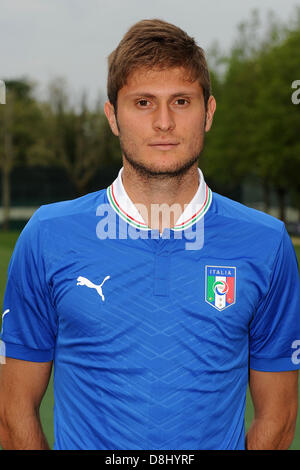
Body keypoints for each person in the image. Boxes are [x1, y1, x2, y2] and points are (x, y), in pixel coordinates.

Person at [0, 18, 299, 451]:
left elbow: (280, 417)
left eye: (181, 101)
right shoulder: (47, 236)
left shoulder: (267, 244)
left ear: (209, 112)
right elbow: (13, 414)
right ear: (113, 117)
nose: (163, 123)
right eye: (143, 102)